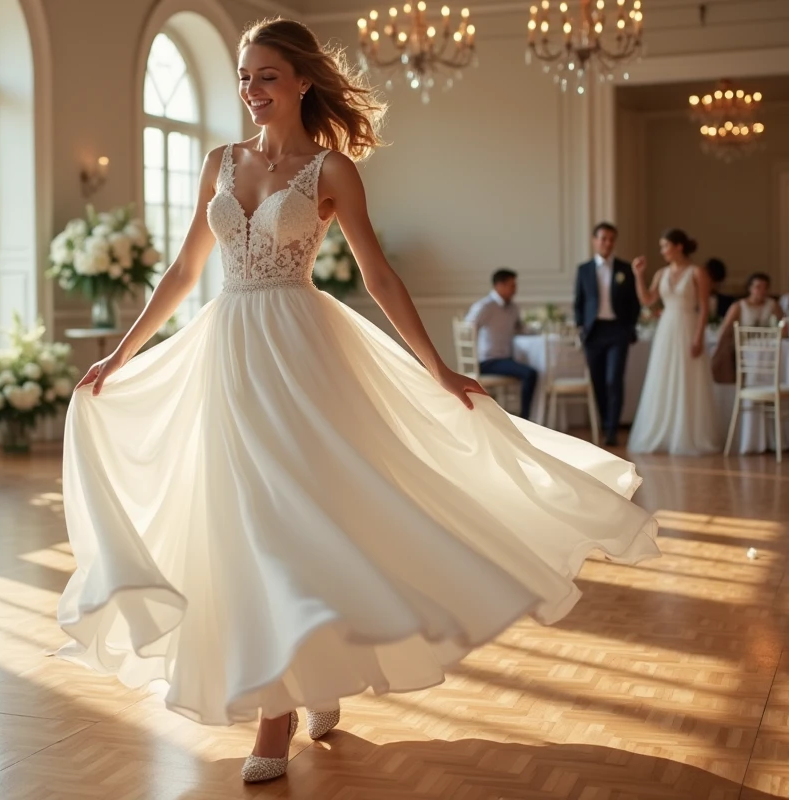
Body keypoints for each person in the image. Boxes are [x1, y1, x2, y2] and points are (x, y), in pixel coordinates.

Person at [55, 18, 659, 784]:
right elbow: (182, 273)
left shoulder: (332, 171)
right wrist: (120, 353)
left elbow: (378, 277)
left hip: (300, 351)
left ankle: (277, 711)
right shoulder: (219, 162)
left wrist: (439, 369)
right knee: (239, 519)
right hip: (226, 350)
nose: (251, 90)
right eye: (244, 77)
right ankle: (308, 676)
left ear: (303, 80)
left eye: (266, 75)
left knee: (292, 517)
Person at [626, 229, 723, 455]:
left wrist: (699, 337)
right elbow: (647, 300)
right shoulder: (661, 273)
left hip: (688, 327)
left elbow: (704, 309)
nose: (662, 251)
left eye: (665, 246)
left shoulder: (697, 272)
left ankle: (689, 435)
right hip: (666, 330)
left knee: (688, 379)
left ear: (679, 246)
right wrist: (638, 275)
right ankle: (663, 433)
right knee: (663, 377)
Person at [573, 222, 640, 446]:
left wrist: (629, 327)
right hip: (594, 332)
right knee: (598, 381)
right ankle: (603, 423)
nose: (607, 243)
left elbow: (634, 302)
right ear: (595, 240)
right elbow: (579, 302)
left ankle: (612, 429)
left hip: (617, 331)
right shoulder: (583, 269)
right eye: (603, 238)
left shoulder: (625, 268)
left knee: (614, 380)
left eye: (611, 239)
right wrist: (581, 326)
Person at [465, 269, 537, 419]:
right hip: (488, 361)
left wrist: (535, 330)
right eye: (512, 286)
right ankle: (526, 419)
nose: (515, 290)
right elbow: (468, 329)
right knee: (530, 373)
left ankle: (524, 417)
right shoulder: (485, 306)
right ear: (499, 285)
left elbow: (519, 328)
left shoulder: (513, 308)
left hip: (506, 358)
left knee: (532, 368)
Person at [711, 273, 784, 384]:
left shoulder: (772, 305)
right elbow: (725, 329)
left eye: (765, 287)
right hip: (743, 350)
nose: (762, 291)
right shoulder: (739, 306)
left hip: (767, 348)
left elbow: (783, 323)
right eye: (758, 287)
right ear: (750, 288)